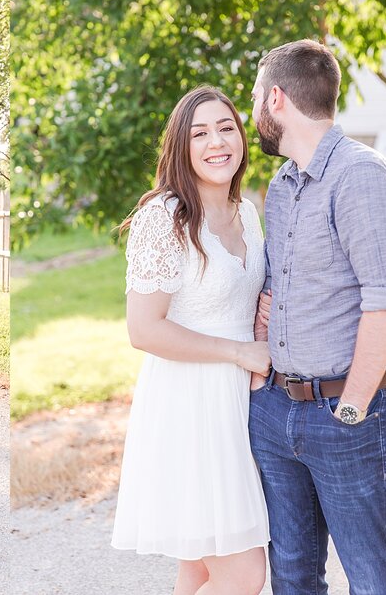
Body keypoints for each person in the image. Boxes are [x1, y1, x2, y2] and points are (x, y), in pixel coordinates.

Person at [248, 39, 386, 594]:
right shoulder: (282, 186)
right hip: (278, 410)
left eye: (254, 100)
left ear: (275, 98)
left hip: (349, 412)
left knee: (371, 578)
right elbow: (283, 287)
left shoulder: (361, 175)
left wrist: (350, 411)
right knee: (292, 575)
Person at [112, 85, 273, 595]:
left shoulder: (246, 211)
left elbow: (246, 300)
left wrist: (263, 324)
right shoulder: (164, 218)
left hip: (238, 406)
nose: (217, 142)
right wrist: (240, 351)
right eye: (200, 133)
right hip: (189, 410)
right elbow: (144, 329)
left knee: (200, 570)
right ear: (181, 146)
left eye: (226, 128)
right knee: (244, 573)